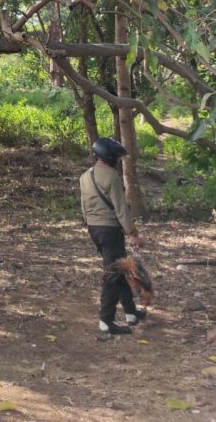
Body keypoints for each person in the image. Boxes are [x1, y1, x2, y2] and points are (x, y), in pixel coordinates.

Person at [80, 136, 146, 339]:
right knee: (113, 275)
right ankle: (105, 322)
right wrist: (133, 234)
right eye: (116, 157)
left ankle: (131, 313)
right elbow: (121, 209)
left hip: (94, 229)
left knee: (120, 268)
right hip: (110, 230)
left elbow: (84, 209)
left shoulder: (85, 176)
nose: (118, 160)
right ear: (109, 157)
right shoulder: (112, 176)